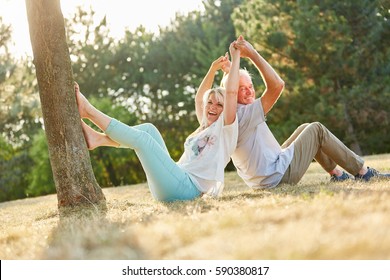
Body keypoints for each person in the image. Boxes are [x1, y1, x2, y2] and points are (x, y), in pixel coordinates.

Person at [74, 42, 240, 202]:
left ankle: (89, 111)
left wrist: (236, 57)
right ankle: (98, 139)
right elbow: (199, 99)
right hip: (173, 180)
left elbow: (231, 93)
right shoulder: (204, 127)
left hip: (186, 189)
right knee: (148, 130)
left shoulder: (225, 129)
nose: (212, 107)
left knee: (144, 140)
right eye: (210, 102)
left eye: (220, 105)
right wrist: (212, 69)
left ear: (227, 110)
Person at [223, 35, 389, 189]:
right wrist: (252, 54)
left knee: (305, 128)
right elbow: (277, 85)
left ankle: (337, 174)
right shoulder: (244, 113)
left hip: (265, 177)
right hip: (277, 177)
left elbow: (228, 91)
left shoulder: (232, 115)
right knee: (316, 129)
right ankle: (363, 173)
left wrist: (232, 72)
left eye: (250, 86)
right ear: (231, 92)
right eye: (241, 89)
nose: (249, 92)